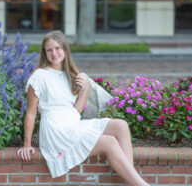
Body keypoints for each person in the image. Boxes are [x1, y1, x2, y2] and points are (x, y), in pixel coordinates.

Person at [17, 30, 149, 186]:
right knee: (109, 142)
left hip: (72, 124)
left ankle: (131, 181)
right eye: (49, 50)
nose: (54, 53)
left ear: (65, 49)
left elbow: (75, 112)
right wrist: (27, 144)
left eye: (58, 48)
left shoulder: (71, 75)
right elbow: (31, 112)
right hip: (56, 131)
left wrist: (85, 88)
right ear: (44, 53)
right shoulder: (39, 76)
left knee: (121, 125)